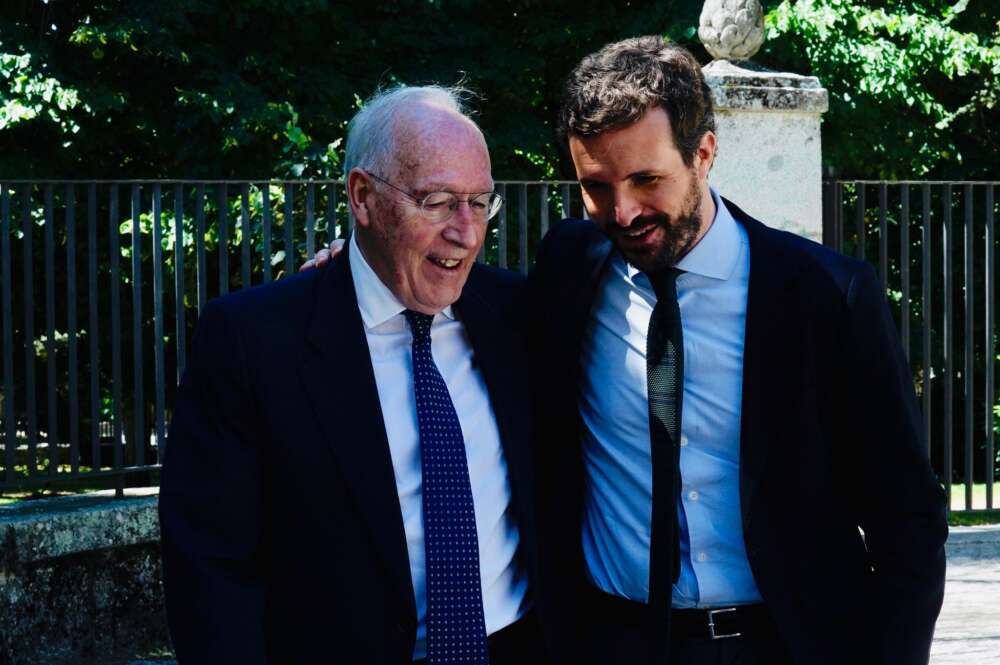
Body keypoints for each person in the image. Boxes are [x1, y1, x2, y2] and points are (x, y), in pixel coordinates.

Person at [529, 36, 948, 665]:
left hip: (783, 644)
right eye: (596, 186)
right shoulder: (568, 264)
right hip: (612, 640)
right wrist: (339, 275)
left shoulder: (829, 296)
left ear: (704, 154)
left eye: (647, 180)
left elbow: (906, 519)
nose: (622, 212)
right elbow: (467, 305)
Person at [159, 84, 546, 664]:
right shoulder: (254, 340)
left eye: (480, 202)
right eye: (438, 201)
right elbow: (211, 568)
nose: (465, 231)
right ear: (362, 197)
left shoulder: (517, 314)